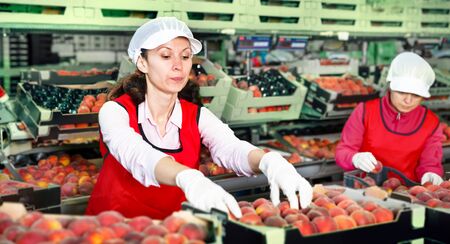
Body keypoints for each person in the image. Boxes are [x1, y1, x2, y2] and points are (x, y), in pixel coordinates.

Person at [86, 17, 312, 219]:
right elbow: (137, 155)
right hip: (113, 230)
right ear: (142, 62)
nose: (178, 65)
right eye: (165, 55)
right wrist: (187, 177)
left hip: (174, 232)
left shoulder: (196, 115)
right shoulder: (115, 112)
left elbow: (231, 147)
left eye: (185, 56)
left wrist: (267, 161)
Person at [335, 52, 444, 185]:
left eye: (416, 95)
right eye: (402, 92)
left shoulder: (431, 123)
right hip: (365, 190)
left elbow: (430, 162)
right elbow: (342, 151)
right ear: (391, 87)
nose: (408, 100)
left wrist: (431, 173)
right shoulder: (366, 111)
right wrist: (354, 158)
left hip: (408, 194)